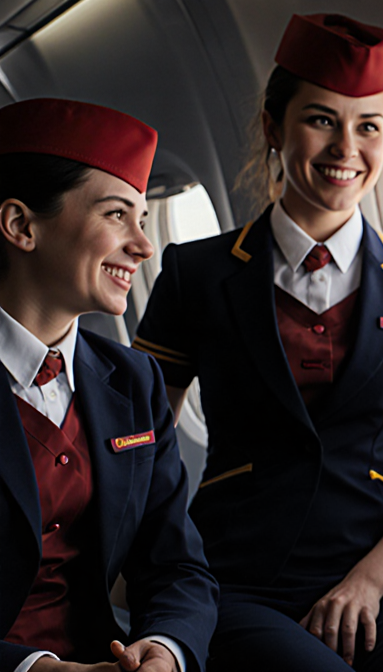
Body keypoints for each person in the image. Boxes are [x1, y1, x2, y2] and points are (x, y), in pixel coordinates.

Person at [133, 13, 383, 672]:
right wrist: (150, 574)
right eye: (321, 120)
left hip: (377, 570)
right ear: (273, 127)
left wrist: (368, 582)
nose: (347, 147)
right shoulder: (196, 274)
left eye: (368, 126)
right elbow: (143, 449)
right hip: (232, 574)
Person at [0, 99, 218, 672]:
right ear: (22, 226)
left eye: (143, 220)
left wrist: (166, 648)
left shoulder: (135, 380)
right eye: (117, 215)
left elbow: (177, 566)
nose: (144, 246)